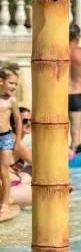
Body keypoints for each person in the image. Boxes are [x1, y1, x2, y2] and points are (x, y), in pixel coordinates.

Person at [0, 67, 21, 214]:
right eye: (11, 83)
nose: (13, 87)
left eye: (16, 84)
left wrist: (18, 141)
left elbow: (19, 121)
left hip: (5, 137)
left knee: (3, 171)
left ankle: (5, 203)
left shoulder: (11, 101)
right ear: (1, 81)